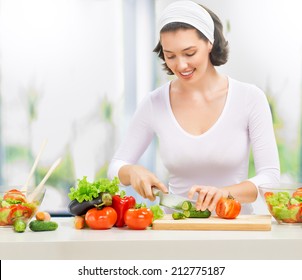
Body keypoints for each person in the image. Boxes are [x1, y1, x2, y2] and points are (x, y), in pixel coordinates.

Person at [108, 0, 280, 214]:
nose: (180, 65)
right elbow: (116, 166)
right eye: (170, 55)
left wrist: (225, 193)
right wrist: (131, 171)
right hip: (177, 230)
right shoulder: (155, 103)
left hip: (235, 228)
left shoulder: (250, 98)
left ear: (209, 42)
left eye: (189, 53)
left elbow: (270, 178)